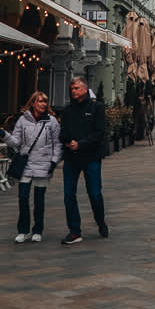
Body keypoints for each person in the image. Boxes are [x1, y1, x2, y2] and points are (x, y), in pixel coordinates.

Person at [5, 91, 62, 245]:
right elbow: (16, 142)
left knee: (39, 199)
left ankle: (37, 230)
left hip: (44, 164)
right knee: (23, 197)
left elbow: (57, 143)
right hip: (27, 164)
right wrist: (5, 136)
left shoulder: (51, 121)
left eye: (45, 101)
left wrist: (54, 161)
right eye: (40, 101)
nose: (43, 104)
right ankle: (23, 230)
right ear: (33, 103)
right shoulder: (23, 120)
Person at [59, 75, 109, 244]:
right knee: (68, 195)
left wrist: (80, 144)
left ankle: (100, 221)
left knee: (94, 193)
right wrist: (68, 141)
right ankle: (74, 231)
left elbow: (99, 132)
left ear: (85, 89)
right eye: (72, 89)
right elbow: (63, 131)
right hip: (71, 158)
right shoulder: (67, 110)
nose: (73, 91)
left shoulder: (97, 108)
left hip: (91, 157)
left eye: (77, 88)